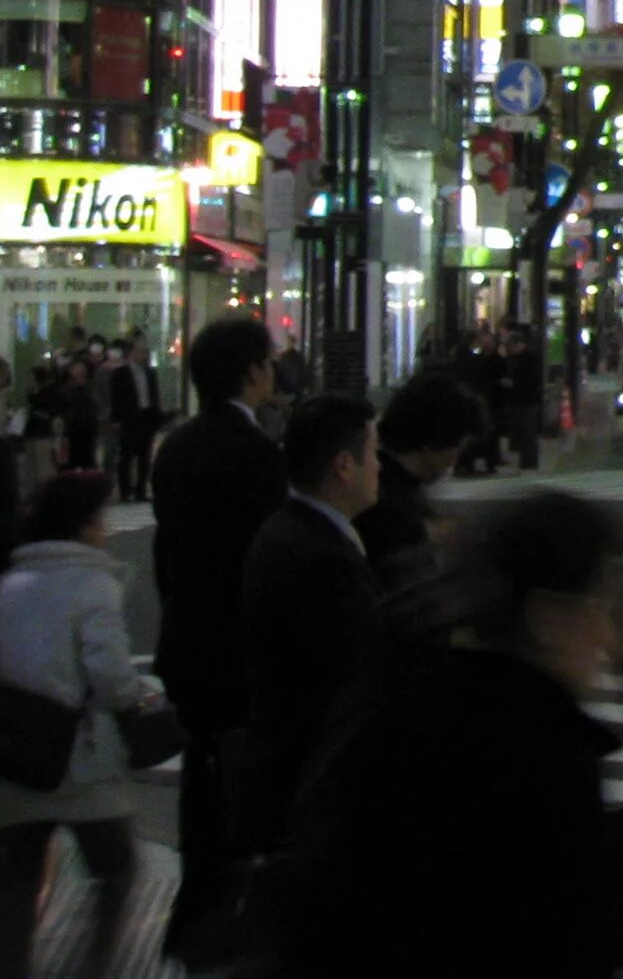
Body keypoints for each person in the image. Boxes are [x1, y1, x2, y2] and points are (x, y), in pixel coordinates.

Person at [278, 492, 623, 979]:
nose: (610, 640)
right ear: (547, 615)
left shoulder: (401, 694)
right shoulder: (543, 754)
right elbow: (567, 944)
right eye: (602, 605)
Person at [149, 315, 286, 958]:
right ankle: (219, 919)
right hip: (236, 645)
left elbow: (165, 549)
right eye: (268, 362)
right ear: (251, 372)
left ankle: (196, 909)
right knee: (237, 784)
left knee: (203, 779)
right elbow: (260, 556)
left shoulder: (177, 446)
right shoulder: (255, 452)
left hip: (186, 637)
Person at [0, 473, 164, 979]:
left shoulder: (10, 582)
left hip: (16, 755)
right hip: (79, 757)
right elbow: (112, 678)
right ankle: (95, 967)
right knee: (117, 868)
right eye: (101, 518)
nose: (107, 529)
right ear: (82, 524)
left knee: (17, 876)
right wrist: (143, 699)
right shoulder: (92, 585)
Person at [239, 395, 384, 847]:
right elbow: (347, 679)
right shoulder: (323, 560)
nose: (379, 467)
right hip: (316, 784)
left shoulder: (287, 530)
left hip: (288, 773)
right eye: (373, 453)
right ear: (344, 465)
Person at [359, 369, 485, 598]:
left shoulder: (389, 483)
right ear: (433, 443)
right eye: (458, 448)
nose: (455, 461)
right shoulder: (381, 501)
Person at [101, 333, 159, 505]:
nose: (143, 354)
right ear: (132, 352)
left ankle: (141, 489)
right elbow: (116, 397)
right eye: (140, 351)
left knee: (144, 455)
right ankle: (125, 491)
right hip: (128, 418)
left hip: (146, 416)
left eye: (145, 351)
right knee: (126, 456)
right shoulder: (120, 373)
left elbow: (154, 395)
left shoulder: (149, 373)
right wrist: (116, 419)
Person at [458, 327, 506, 475]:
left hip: (478, 397)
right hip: (479, 398)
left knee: (481, 432)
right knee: (483, 431)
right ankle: (476, 462)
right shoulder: (473, 357)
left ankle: (472, 463)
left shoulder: (468, 356)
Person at [501, 325, 546, 472]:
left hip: (527, 400)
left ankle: (529, 462)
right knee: (522, 432)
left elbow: (532, 380)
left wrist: (514, 383)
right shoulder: (513, 359)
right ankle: (526, 461)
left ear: (517, 344)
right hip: (518, 400)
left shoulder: (529, 358)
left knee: (528, 433)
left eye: (510, 345)